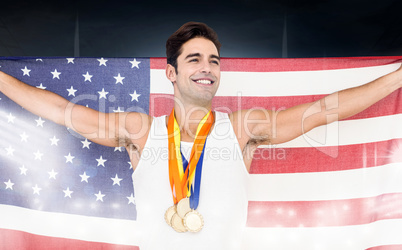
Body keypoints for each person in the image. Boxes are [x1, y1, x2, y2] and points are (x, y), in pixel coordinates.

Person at [0, 21, 401, 249]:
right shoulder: (141, 131)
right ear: (172, 73)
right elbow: (59, 110)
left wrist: (396, 79)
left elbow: (323, 111)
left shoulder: (243, 128)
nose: (206, 66)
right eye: (194, 59)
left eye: (213, 60)